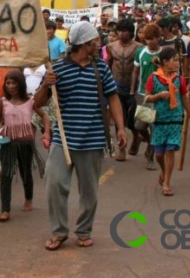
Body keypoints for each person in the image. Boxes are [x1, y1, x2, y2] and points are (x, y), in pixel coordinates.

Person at [34, 21, 127, 250]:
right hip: (63, 140)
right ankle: (59, 232)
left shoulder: (101, 68)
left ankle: (83, 231)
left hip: (93, 140)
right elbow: (37, 103)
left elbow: (113, 97)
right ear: (85, 44)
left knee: (89, 192)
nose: (99, 44)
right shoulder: (56, 69)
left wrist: (121, 128)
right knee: (54, 185)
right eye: (95, 41)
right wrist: (46, 85)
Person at [0, 70, 50, 222]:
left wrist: (47, 132)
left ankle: (28, 199)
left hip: (26, 143)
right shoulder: (2, 102)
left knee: (25, 172)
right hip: (9, 143)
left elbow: (44, 116)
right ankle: (5, 210)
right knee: (6, 175)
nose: (11, 86)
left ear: (21, 84)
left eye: (14, 83)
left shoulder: (30, 101)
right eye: (8, 83)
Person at [144, 48, 190, 196]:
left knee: (170, 150)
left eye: (178, 60)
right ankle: (164, 171)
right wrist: (159, 95)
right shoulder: (153, 78)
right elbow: (147, 97)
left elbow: (184, 99)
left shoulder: (179, 79)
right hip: (159, 120)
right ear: (165, 62)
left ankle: (166, 182)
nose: (178, 63)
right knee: (159, 154)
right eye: (175, 60)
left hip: (175, 119)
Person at [106, 18, 141, 161]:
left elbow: (139, 69)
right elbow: (108, 64)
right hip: (116, 85)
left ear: (131, 32)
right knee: (119, 118)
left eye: (124, 31)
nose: (121, 33)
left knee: (133, 121)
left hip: (133, 86)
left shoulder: (139, 47)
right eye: (119, 30)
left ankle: (137, 137)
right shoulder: (111, 46)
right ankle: (122, 150)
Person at [131, 24, 162, 169]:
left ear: (158, 38)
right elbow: (136, 72)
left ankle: (150, 157)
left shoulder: (164, 53)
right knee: (139, 125)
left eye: (152, 39)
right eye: (147, 39)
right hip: (143, 94)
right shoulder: (140, 52)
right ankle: (148, 141)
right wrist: (133, 90)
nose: (149, 42)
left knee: (154, 126)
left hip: (159, 95)